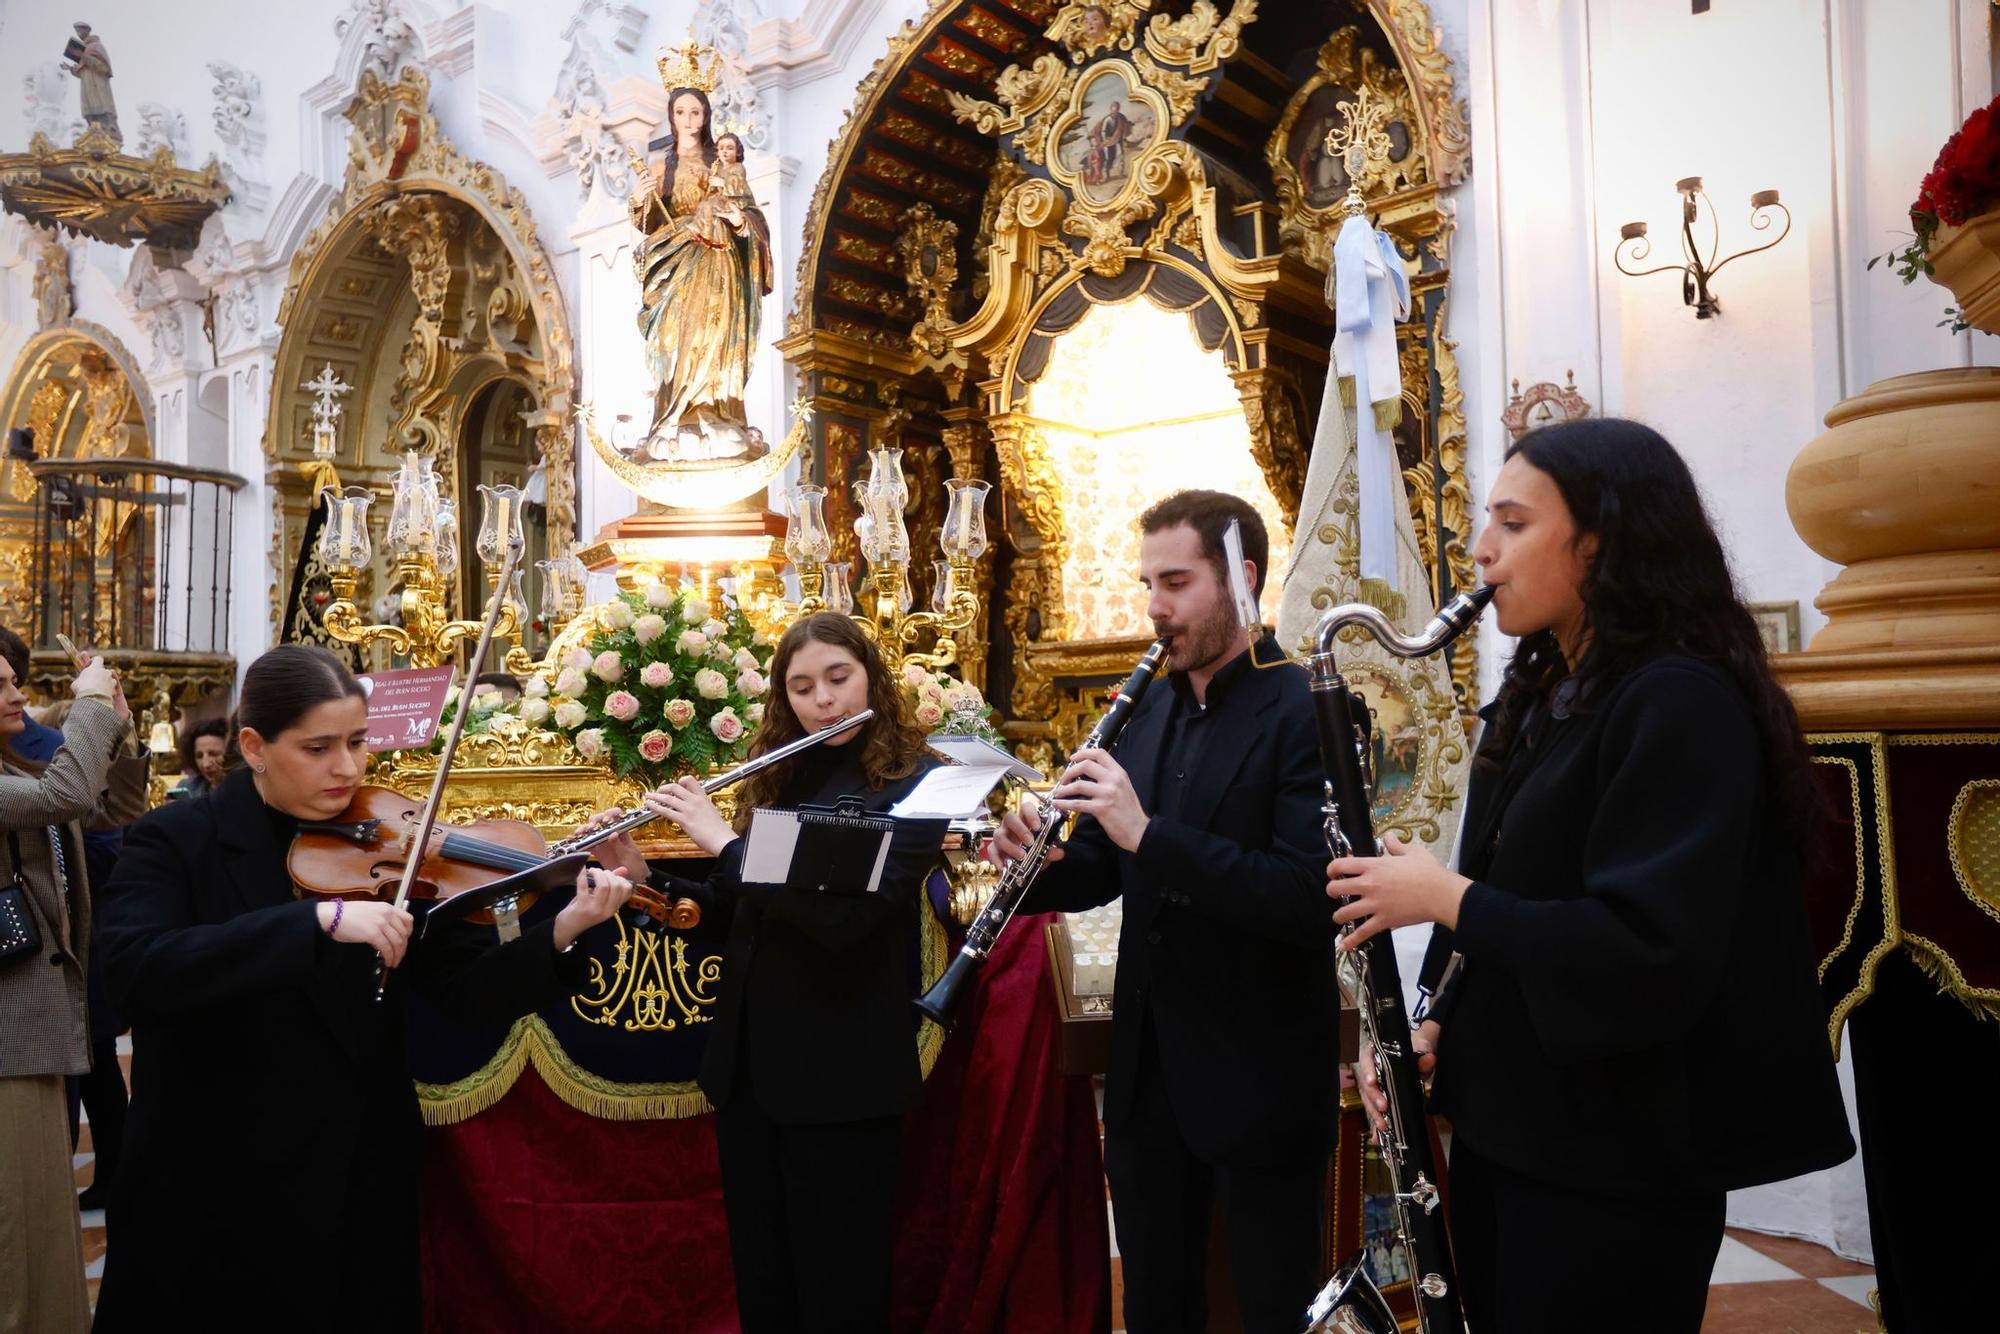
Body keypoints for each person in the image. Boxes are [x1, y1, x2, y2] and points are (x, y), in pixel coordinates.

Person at [1326, 419, 1855, 1332]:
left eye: (1513, 523)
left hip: (1622, 1158)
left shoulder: (1681, 699)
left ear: (1602, 539)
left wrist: (1443, 895)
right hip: (1521, 1132)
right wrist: (1428, 1024)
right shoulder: (1540, 697)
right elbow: (1508, 902)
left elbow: (1649, 942)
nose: (1480, 549)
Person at [91, 645, 639, 1330]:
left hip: (354, 1172)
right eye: (318, 748)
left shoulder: (393, 842)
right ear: (255, 746)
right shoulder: (174, 839)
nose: (347, 768)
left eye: (357, 742)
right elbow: (136, 971)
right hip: (215, 1175)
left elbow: (465, 993)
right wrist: (314, 921)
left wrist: (568, 927)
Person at [990, 490, 1334, 1333]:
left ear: (1243, 581)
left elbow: (1302, 893)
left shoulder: (1308, 707)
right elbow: (1108, 869)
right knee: (1155, 1302)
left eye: (1176, 582)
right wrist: (1035, 860)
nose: (1155, 606)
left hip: (1260, 1068)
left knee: (1270, 1302)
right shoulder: (1147, 708)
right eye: (1149, 582)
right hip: (1152, 1077)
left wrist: (1145, 832)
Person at [581, 612, 945, 1333]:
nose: (825, 701)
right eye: (803, 687)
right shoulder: (780, 770)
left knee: (840, 1293)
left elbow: (843, 926)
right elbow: (742, 916)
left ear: (870, 675)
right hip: (752, 1075)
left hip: (842, 1078)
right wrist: (647, 878)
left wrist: (724, 842)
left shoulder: (915, 784)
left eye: (839, 679)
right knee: (767, 1289)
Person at [0, 637, 130, 1333]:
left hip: (34, 1019)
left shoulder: (11, 762)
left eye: (16, 681)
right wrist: (84, 705)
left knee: (42, 1224)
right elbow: (66, 793)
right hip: (7, 1031)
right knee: (16, 1235)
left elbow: (109, 808)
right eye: (1, 685)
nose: (18, 694)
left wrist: (115, 721)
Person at [629, 84, 774, 460]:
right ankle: (672, 417)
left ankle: (714, 412)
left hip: (717, 262)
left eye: (696, 113)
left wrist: (737, 219)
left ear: (706, 116)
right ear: (671, 116)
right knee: (674, 339)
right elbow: (648, 223)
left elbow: (753, 219)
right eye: (681, 112)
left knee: (714, 335)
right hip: (675, 262)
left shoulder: (722, 164)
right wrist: (640, 196)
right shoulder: (661, 166)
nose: (689, 121)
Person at [170, 716, 229, 797]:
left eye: (214, 754)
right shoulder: (185, 787)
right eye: (199, 756)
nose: (206, 764)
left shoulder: (245, 789)